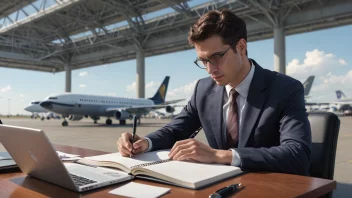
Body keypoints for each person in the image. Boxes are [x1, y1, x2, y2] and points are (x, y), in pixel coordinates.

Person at [117, 9, 311, 176]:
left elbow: (297, 154)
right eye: (203, 61)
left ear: (241, 47)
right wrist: (145, 142)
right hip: (217, 186)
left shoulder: (285, 88)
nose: (210, 69)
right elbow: (175, 129)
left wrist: (220, 155)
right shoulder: (203, 89)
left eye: (216, 57)